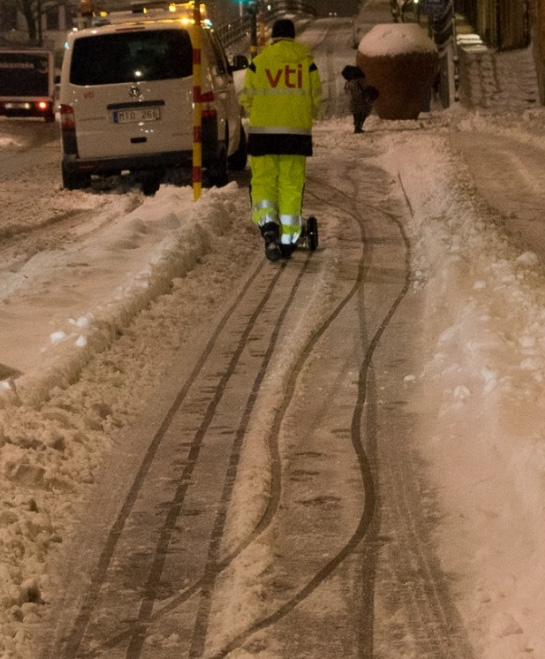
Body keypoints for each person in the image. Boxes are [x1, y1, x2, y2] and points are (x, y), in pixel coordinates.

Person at [240, 18, 322, 262]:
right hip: (296, 136)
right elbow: (316, 100)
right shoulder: (307, 64)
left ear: (273, 36)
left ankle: (268, 228)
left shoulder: (259, 63)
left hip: (262, 135)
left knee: (264, 181)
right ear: (293, 35)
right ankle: (288, 241)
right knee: (290, 184)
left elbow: (247, 100)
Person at [342, 64, 379, 134]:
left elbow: (347, 91)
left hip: (354, 101)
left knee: (357, 114)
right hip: (363, 101)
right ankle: (358, 127)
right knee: (362, 114)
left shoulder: (348, 83)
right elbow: (365, 88)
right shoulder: (360, 80)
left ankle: (357, 127)